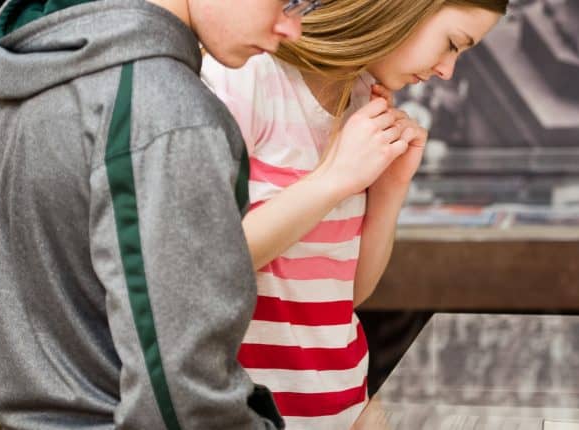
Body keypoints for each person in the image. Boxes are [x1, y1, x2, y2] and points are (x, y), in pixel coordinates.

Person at [0, 0, 315, 427]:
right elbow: (187, 400)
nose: (292, 28)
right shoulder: (164, 110)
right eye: (288, 2)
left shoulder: (35, 62)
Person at [198, 0, 507, 427]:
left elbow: (348, 294)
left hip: (341, 407)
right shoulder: (248, 77)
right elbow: (204, 259)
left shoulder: (362, 97)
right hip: (249, 414)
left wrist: (389, 189)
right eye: (451, 44)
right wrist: (335, 179)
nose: (446, 70)